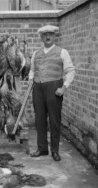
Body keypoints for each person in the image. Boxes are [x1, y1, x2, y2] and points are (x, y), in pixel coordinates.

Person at [28, 25, 75, 161]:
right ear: (41, 37)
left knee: (54, 120)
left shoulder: (62, 52)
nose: (48, 37)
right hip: (38, 88)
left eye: (51, 34)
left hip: (54, 87)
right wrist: (31, 80)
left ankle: (55, 151)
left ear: (55, 36)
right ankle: (42, 148)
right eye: (45, 35)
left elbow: (71, 71)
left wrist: (64, 87)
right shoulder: (36, 53)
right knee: (39, 120)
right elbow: (32, 70)